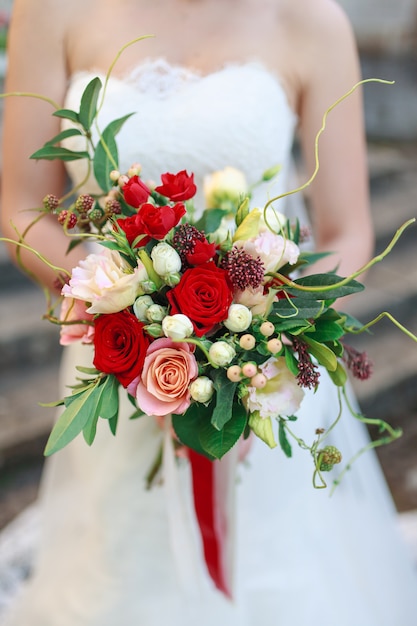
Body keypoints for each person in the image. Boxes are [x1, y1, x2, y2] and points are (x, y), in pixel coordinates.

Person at [1, 0, 417, 624]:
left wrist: (264, 338)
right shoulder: (51, 10)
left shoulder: (312, 21)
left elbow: (346, 229)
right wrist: (122, 304)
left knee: (280, 574)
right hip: (114, 355)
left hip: (266, 374)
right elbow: (20, 205)